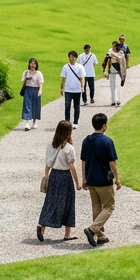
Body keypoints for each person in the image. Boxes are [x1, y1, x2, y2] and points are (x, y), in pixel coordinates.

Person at [79, 112, 119, 247]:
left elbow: (83, 161)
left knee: (96, 207)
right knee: (109, 207)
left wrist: (84, 178)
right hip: (103, 179)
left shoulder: (86, 140)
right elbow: (112, 162)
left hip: (91, 179)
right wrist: (118, 179)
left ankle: (101, 236)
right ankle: (92, 229)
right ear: (104, 125)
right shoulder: (107, 141)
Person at [37, 121, 80, 243]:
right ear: (69, 132)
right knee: (68, 203)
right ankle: (67, 234)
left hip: (54, 175)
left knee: (50, 202)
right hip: (65, 177)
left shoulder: (50, 145)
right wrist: (77, 182)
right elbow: (72, 166)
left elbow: (48, 163)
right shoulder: (69, 148)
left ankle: (42, 227)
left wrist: (46, 176)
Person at [60, 51, 85, 128]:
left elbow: (82, 78)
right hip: (68, 89)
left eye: (73, 57)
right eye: (70, 57)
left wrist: (82, 86)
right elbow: (63, 78)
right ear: (69, 57)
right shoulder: (66, 67)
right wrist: (61, 88)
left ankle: (75, 122)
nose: (72, 58)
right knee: (67, 106)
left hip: (77, 89)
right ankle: (67, 121)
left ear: (76, 58)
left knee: (76, 106)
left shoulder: (80, 67)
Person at [104, 37, 130, 106]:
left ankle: (118, 100)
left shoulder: (121, 53)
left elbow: (120, 59)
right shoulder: (110, 52)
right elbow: (105, 64)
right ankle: (113, 100)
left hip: (118, 72)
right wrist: (106, 73)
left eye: (115, 47)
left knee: (118, 86)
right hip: (111, 72)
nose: (114, 48)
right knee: (112, 87)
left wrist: (113, 56)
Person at [20, 58, 44, 130]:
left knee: (35, 106)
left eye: (34, 63)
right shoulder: (26, 72)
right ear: (29, 64)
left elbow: (40, 83)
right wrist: (26, 79)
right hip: (28, 89)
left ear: (36, 65)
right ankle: (27, 123)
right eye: (31, 63)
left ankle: (34, 122)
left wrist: (40, 90)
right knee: (27, 105)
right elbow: (22, 81)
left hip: (36, 89)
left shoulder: (39, 73)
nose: (32, 65)